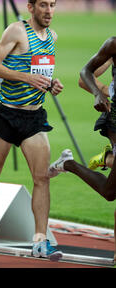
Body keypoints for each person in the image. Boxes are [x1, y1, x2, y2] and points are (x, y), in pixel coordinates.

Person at [0, 0, 64, 261]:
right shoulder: (16, 31)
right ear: (31, 7)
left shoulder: (52, 37)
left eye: (52, 5)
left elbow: (40, 72)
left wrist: (51, 85)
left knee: (42, 177)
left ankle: (40, 240)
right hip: (5, 115)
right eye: (44, 5)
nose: (49, 11)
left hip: (34, 117)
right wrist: (27, 78)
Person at [48, 36, 116, 262]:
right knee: (110, 193)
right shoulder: (113, 43)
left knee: (112, 191)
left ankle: (105, 159)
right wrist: (99, 93)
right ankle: (71, 163)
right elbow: (85, 72)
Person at [78, 58, 114, 170]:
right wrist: (105, 91)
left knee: (109, 187)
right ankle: (107, 158)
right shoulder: (113, 47)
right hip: (114, 117)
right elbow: (84, 79)